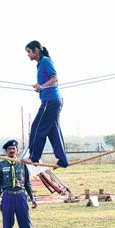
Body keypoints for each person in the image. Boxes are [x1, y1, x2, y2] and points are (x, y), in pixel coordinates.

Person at [23, 40, 69, 168]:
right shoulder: (40, 64)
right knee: (53, 130)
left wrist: (42, 86)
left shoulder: (45, 61)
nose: (28, 54)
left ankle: (34, 158)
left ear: (36, 50)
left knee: (37, 128)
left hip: (50, 101)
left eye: (29, 51)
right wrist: (40, 88)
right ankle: (63, 160)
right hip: (53, 100)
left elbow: (55, 78)